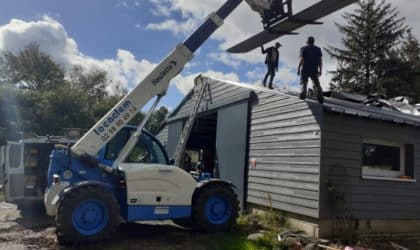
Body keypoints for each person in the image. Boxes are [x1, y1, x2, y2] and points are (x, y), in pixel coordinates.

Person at [297, 36, 324, 103]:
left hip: (305, 69)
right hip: (314, 69)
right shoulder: (318, 49)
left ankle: (303, 94)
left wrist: (298, 68)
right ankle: (320, 97)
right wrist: (320, 70)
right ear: (313, 41)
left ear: (307, 41)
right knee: (317, 84)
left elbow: (302, 60)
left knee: (304, 82)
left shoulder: (303, 48)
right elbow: (320, 61)